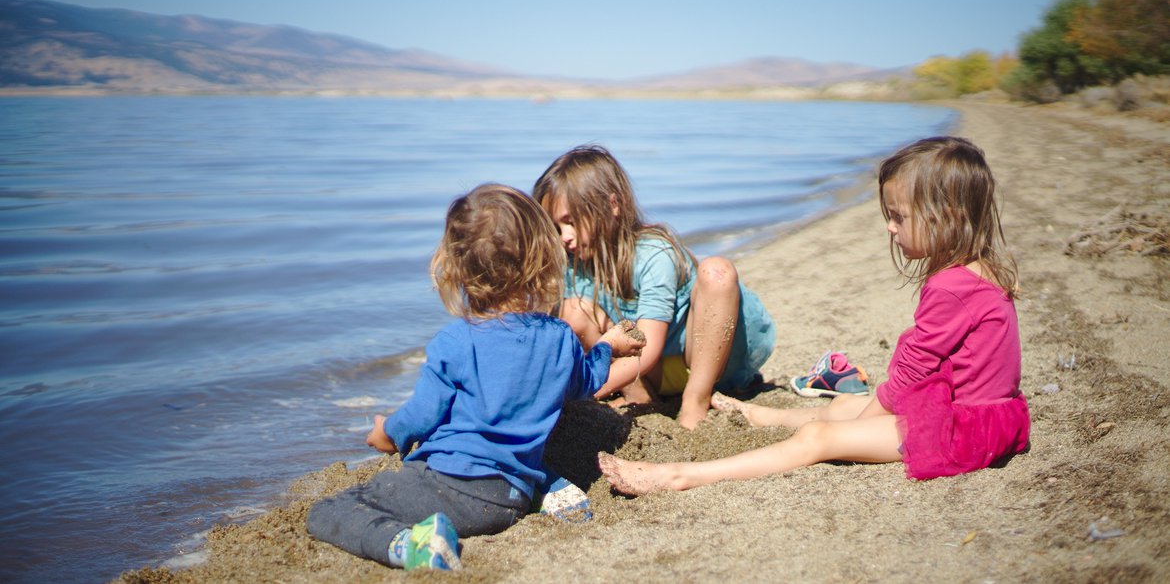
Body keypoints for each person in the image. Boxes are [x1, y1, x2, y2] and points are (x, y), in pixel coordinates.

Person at [598, 136, 1030, 494]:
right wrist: (862, 414)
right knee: (846, 404)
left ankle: (678, 476)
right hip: (985, 414)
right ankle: (766, 415)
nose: (890, 227)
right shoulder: (978, 271)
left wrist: (863, 425)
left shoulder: (950, 288)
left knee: (819, 437)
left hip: (964, 430)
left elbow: (913, 373)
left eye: (899, 217)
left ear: (948, 217)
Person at [307, 184, 643, 569]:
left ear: (455, 268)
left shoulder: (455, 341)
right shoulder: (558, 338)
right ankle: (552, 492)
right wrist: (606, 346)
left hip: (454, 489)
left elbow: (421, 416)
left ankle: (412, 548)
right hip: (514, 493)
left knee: (331, 510)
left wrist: (388, 433)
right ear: (539, 259)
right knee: (514, 442)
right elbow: (588, 381)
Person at [533, 145, 776, 430]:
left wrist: (582, 391)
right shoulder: (574, 264)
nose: (565, 237)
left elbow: (647, 346)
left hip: (708, 361)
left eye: (571, 222)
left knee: (717, 271)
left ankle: (695, 400)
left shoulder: (653, 253)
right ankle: (641, 399)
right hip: (654, 374)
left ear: (613, 205)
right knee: (572, 312)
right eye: (557, 228)